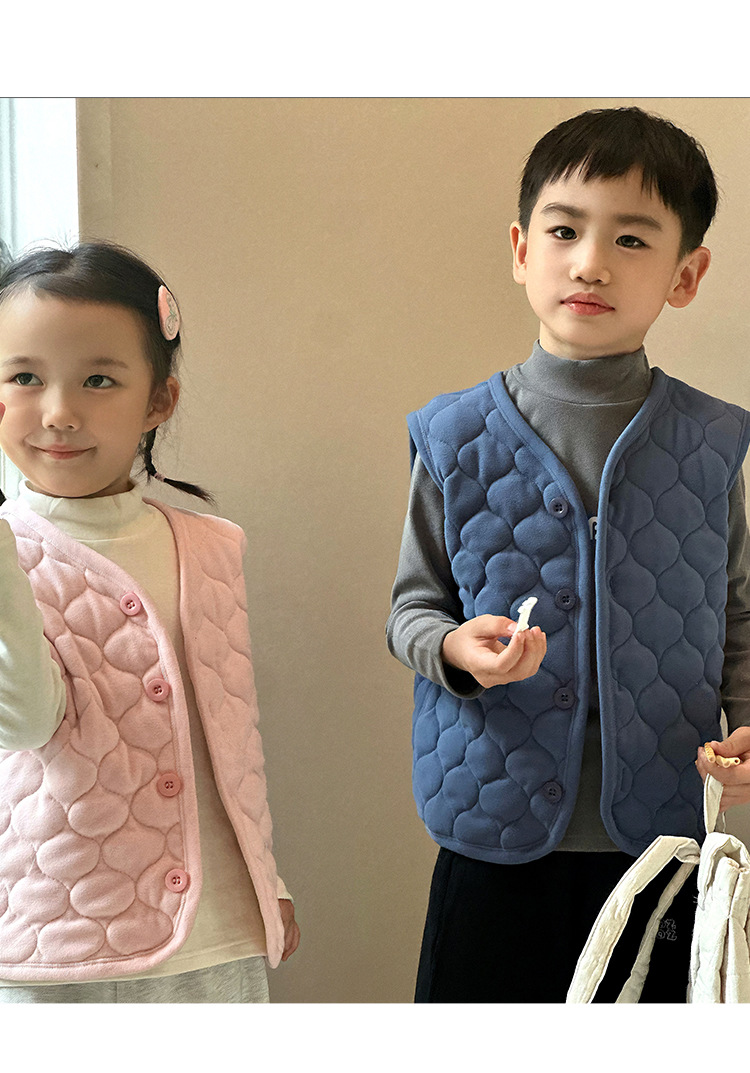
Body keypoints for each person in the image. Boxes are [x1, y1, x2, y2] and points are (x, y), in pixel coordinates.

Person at [387, 106, 750, 1003]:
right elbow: (412, 608)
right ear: (522, 250)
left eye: (632, 238)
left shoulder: (712, 443)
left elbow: (738, 613)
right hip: (492, 828)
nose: (590, 262)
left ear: (686, 274)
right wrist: (454, 648)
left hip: (662, 842)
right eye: (563, 231)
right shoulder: (454, 434)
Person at [0, 242, 299, 1003]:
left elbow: (230, 735)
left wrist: (268, 881)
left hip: (218, 935)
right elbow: (23, 721)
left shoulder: (210, 547)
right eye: (24, 377)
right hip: (57, 941)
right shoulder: (9, 551)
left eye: (99, 379)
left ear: (159, 401)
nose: (59, 412)